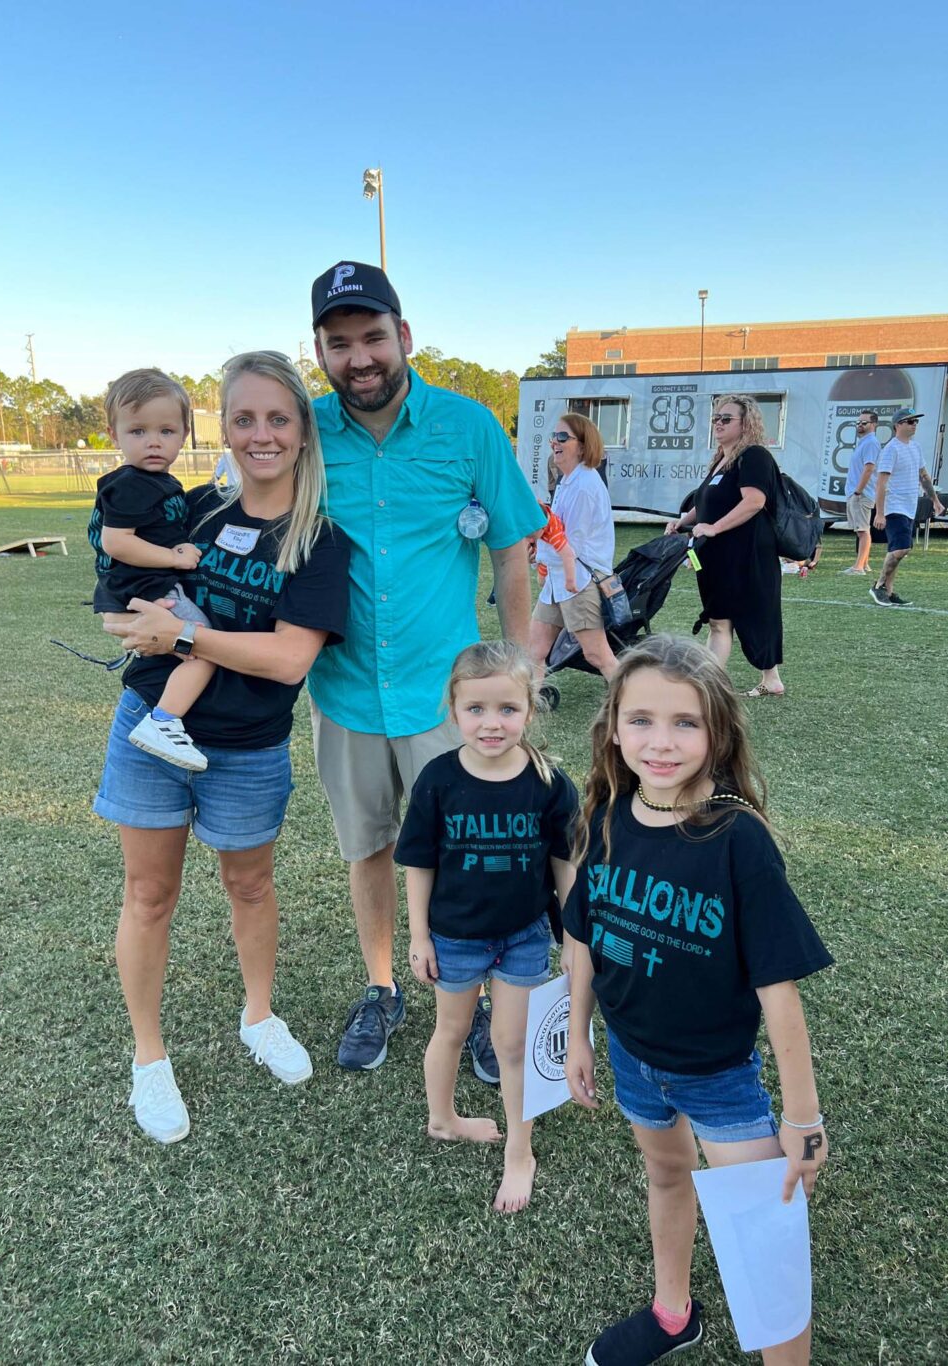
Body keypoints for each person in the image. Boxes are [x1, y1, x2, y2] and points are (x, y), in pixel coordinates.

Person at [97, 351, 350, 1143]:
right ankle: (148, 1057)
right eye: (244, 418)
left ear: (303, 433)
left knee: (249, 886)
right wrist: (135, 618)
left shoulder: (320, 540)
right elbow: (120, 579)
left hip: (246, 746)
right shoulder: (194, 510)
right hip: (149, 726)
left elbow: (287, 659)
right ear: (226, 429)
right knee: (149, 896)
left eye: (278, 418)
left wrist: (185, 632)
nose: (261, 434)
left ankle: (258, 1017)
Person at [563, 635, 832, 1366]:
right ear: (613, 726)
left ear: (717, 733)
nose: (659, 741)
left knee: (763, 1237)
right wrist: (577, 1034)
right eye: (641, 720)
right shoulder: (609, 814)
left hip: (717, 1076)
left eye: (684, 723)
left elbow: (778, 993)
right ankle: (673, 1312)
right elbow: (583, 938)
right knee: (664, 1174)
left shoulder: (736, 838)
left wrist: (802, 1115)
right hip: (630, 1055)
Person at [308, 260, 545, 1073]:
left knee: (465, 852)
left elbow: (510, 547)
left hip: (448, 696)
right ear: (320, 351)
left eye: (372, 337)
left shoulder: (468, 425)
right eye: (339, 343)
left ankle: (473, 1000)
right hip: (340, 691)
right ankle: (381, 987)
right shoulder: (302, 432)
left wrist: (518, 664)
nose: (359, 357)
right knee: (368, 847)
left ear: (403, 336)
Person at [396, 641, 577, 1212]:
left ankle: (519, 1151)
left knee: (512, 1045)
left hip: (525, 935)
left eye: (507, 709)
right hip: (454, 936)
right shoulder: (437, 780)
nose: (491, 723)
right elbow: (419, 864)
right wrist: (419, 935)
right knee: (449, 1032)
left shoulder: (550, 782)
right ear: (453, 711)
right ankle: (443, 1119)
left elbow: (565, 865)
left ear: (530, 709)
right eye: (475, 709)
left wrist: (574, 938)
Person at [88, 369, 215, 771]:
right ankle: (164, 721)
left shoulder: (156, 481)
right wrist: (175, 558)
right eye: (138, 431)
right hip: (143, 588)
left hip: (144, 586)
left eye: (166, 430)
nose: (154, 442)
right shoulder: (131, 483)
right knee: (204, 647)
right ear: (115, 434)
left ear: (184, 433)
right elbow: (117, 541)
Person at [665, 394, 785, 699]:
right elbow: (705, 501)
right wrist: (683, 521)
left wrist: (714, 528)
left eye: (726, 418)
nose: (718, 423)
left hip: (744, 553)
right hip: (717, 553)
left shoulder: (754, 456)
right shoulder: (721, 459)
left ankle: (714, 682)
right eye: (715, 418)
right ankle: (757, 680)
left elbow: (755, 502)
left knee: (740, 617)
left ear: (747, 423)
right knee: (720, 618)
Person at [528, 414, 619, 684]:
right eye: (553, 437)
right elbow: (557, 536)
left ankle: (634, 705)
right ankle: (529, 705)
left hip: (579, 582)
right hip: (559, 582)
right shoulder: (569, 481)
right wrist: (539, 553)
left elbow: (572, 545)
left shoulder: (583, 485)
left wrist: (540, 547)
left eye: (563, 437)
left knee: (598, 655)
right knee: (533, 650)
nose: (555, 442)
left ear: (582, 445)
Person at [870, 407, 944, 607]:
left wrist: (935, 501)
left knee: (897, 550)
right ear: (898, 425)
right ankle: (879, 586)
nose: (914, 425)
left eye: (916, 422)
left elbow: (924, 476)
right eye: (910, 421)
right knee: (902, 548)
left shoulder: (915, 447)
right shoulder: (891, 449)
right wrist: (880, 512)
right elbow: (881, 483)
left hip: (909, 507)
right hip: (895, 507)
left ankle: (890, 592)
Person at [842, 409, 879, 575]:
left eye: (864, 423)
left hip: (861, 493)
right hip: (856, 492)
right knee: (861, 530)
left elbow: (869, 468)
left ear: (873, 425)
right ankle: (864, 564)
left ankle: (858, 567)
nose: (860, 426)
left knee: (863, 530)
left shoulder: (871, 442)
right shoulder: (864, 442)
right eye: (858, 423)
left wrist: (858, 491)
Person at [531, 498, 579, 593]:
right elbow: (538, 501)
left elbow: (568, 555)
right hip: (541, 553)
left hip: (549, 562)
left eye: (531, 536)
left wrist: (570, 581)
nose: (530, 539)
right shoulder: (539, 511)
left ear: (543, 529)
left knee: (541, 581)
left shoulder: (554, 534)